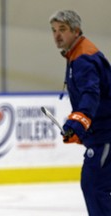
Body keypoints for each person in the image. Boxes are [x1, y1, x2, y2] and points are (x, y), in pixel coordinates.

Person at [49, 10, 111, 216]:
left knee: (94, 186)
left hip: (106, 137)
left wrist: (76, 125)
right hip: (101, 135)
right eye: (54, 30)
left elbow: (91, 95)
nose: (57, 35)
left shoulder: (83, 58)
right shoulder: (77, 54)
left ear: (76, 31)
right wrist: (82, 131)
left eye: (63, 30)